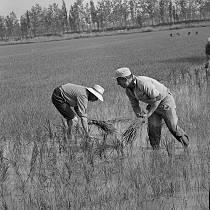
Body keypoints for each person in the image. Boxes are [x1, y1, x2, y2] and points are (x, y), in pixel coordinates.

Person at [114, 67, 189, 150]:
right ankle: (156, 152)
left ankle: (187, 147)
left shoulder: (142, 83)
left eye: (118, 81)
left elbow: (158, 98)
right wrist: (140, 116)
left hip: (165, 101)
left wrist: (148, 114)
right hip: (153, 104)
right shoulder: (128, 90)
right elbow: (135, 105)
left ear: (125, 79)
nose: (118, 84)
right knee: (153, 129)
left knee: (173, 128)